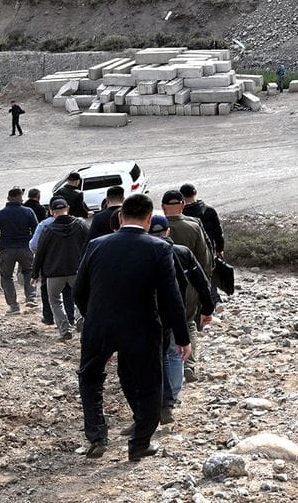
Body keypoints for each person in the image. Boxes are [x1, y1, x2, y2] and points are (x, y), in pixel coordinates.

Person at [74, 194, 189, 461]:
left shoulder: (96, 245)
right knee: (149, 384)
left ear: (121, 216)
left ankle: (97, 436)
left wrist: (93, 317)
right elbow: (171, 297)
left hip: (99, 325)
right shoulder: (159, 248)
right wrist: (181, 336)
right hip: (141, 326)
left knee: (90, 378)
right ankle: (139, 444)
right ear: (149, 219)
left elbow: (79, 291)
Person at [150, 211, 217, 421]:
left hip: (151, 314)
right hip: (180, 309)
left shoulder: (142, 253)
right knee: (175, 352)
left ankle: (160, 400)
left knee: (157, 356)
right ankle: (172, 398)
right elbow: (202, 282)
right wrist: (207, 308)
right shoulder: (182, 252)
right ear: (168, 231)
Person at [33, 197, 90, 339]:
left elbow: (40, 252)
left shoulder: (48, 229)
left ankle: (65, 330)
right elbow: (90, 245)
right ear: (68, 209)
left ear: (52, 212)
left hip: (54, 272)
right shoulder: (80, 224)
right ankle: (80, 318)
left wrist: (34, 273)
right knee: (81, 297)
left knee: (55, 300)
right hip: (77, 270)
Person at [0, 188, 39, 313]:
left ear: (8, 198)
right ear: (21, 198)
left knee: (6, 277)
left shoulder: (1, 214)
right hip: (25, 248)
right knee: (29, 272)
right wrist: (38, 248)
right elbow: (37, 231)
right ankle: (31, 297)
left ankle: (14, 306)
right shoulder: (28, 211)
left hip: (7, 250)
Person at [179, 183, 225, 258]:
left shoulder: (180, 213)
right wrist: (220, 249)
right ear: (195, 192)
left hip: (187, 252)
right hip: (207, 250)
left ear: (181, 196)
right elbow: (218, 233)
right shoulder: (209, 210)